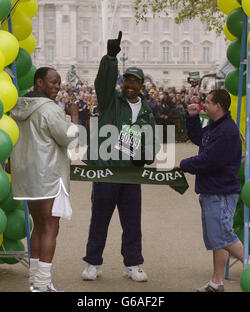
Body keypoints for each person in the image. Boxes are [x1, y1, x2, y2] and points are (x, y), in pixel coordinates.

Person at [81, 31, 158, 282]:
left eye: (135, 81)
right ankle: (93, 263)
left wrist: (145, 155)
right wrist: (110, 58)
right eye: (127, 80)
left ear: (141, 85)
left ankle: (133, 263)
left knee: (132, 222)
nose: (130, 84)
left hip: (131, 173)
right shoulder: (110, 100)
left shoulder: (146, 110)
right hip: (106, 170)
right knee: (99, 220)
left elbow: (153, 140)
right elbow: (102, 83)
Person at [10, 67, 79, 292]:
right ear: (39, 82)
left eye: (59, 83)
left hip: (26, 176)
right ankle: (41, 284)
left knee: (38, 226)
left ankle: (35, 281)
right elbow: (66, 137)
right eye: (53, 82)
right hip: (48, 175)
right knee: (50, 227)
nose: (58, 86)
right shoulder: (49, 109)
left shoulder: (19, 107)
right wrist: (74, 117)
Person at [177, 89, 244, 292]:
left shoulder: (226, 131)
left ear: (218, 106)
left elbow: (209, 160)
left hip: (220, 191)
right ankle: (216, 282)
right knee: (218, 239)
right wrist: (192, 117)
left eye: (207, 102)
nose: (203, 104)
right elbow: (199, 138)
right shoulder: (216, 127)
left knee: (223, 236)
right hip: (214, 189)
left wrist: (182, 164)